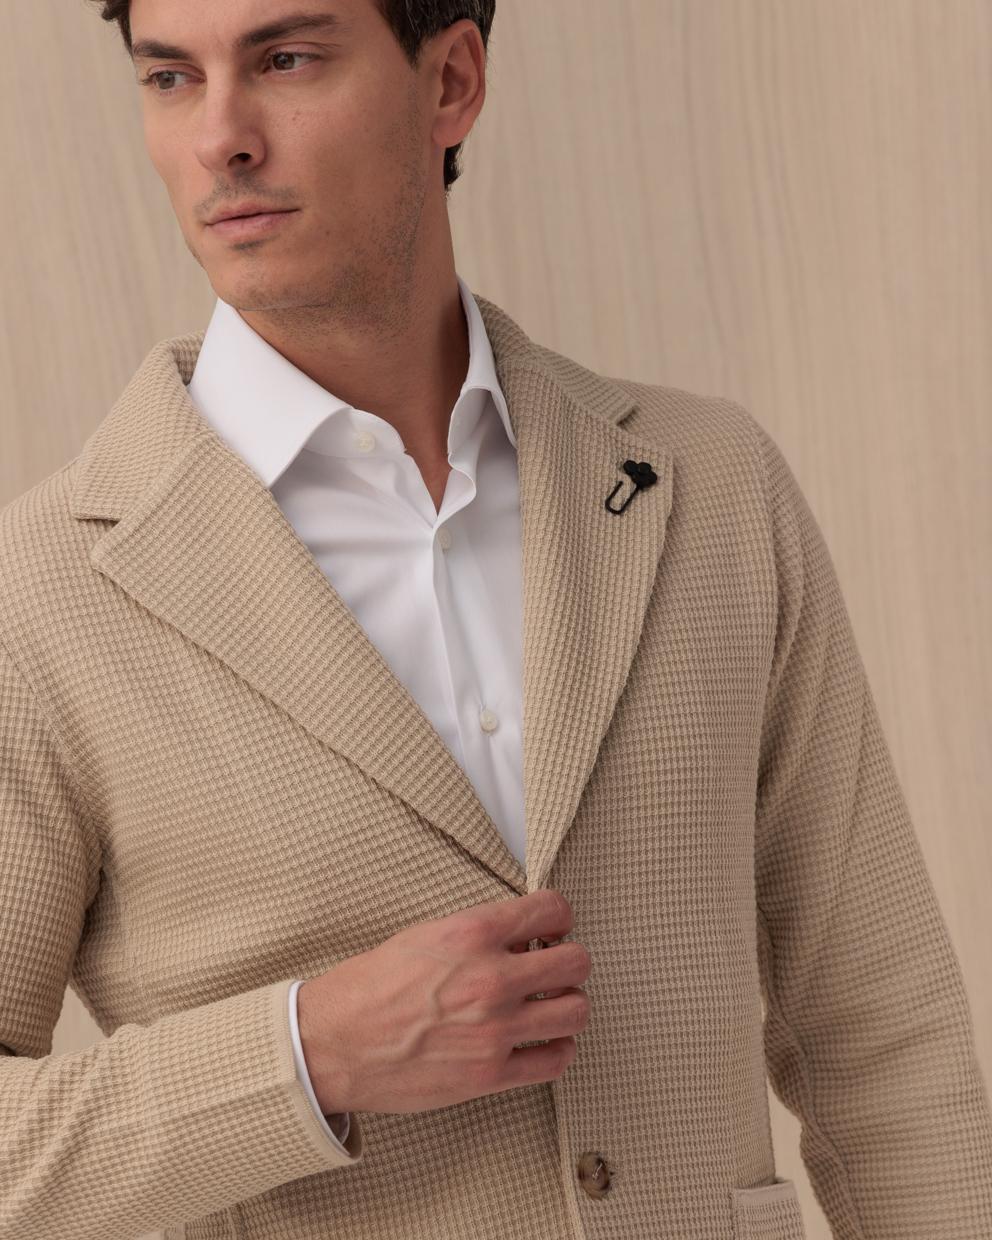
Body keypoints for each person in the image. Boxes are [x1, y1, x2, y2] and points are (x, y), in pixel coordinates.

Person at [2, 1, 991, 1237]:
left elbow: (883, 1036)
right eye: (169, 78)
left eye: (284, 59)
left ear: (450, 81)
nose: (219, 138)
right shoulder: (47, 592)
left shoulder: (709, 485)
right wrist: (302, 1055)